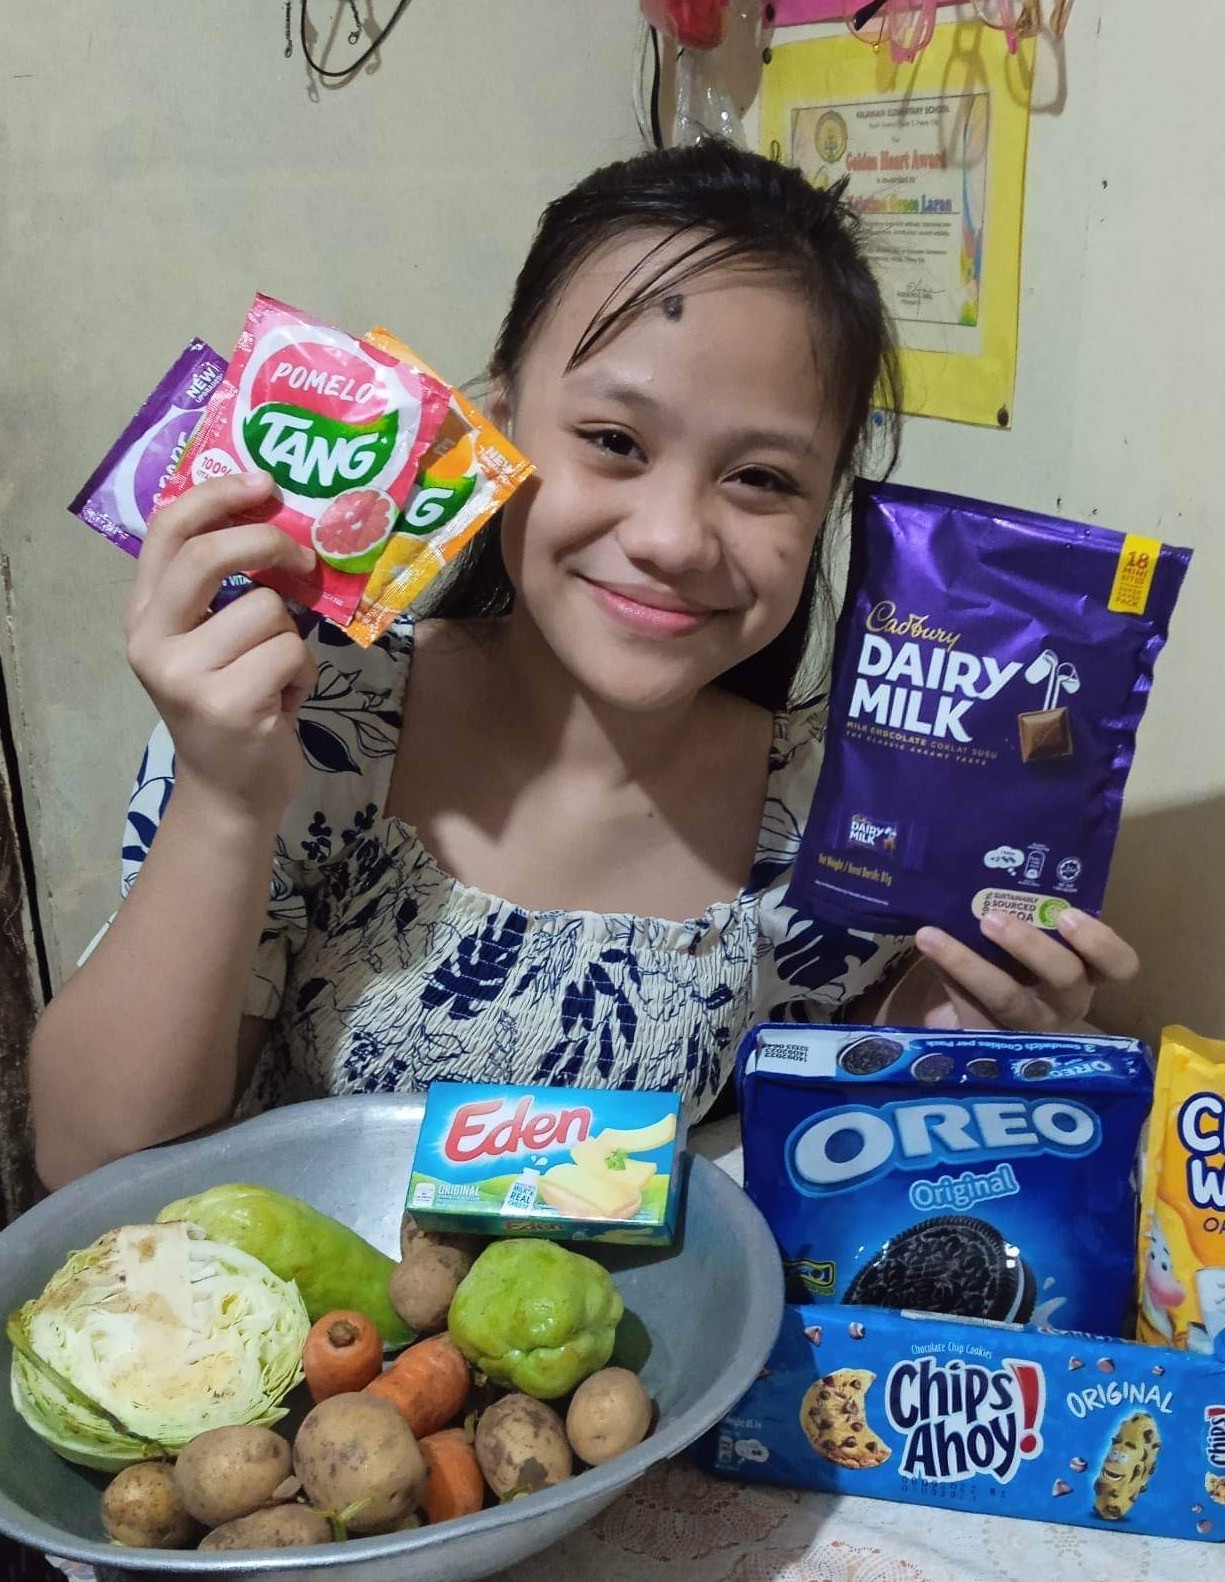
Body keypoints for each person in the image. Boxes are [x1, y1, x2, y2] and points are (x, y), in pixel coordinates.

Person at [29, 142, 1139, 1191]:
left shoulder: (837, 823)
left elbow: (810, 1181)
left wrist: (941, 1033)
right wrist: (225, 799)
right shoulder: (309, 715)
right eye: (614, 441)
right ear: (499, 431)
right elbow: (87, 1162)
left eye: (761, 478)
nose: (672, 538)